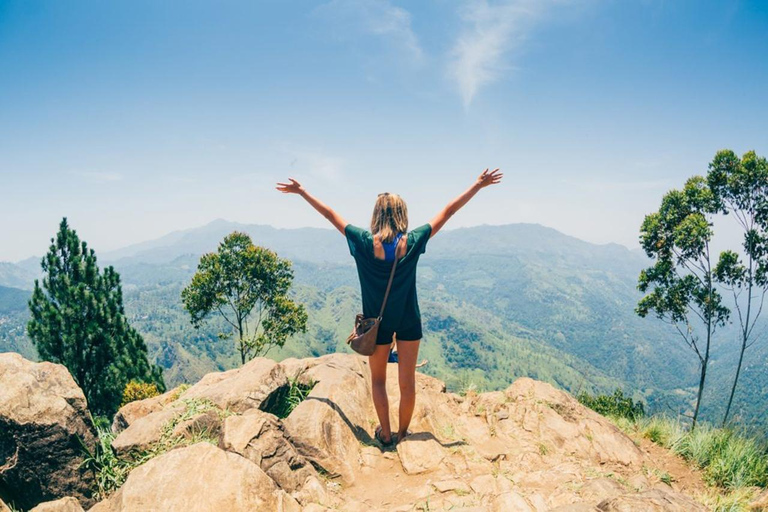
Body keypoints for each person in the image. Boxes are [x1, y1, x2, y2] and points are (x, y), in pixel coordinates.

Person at [276, 168, 503, 446]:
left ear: (376, 215)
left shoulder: (362, 241)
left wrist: (301, 192)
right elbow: (448, 211)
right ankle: (404, 434)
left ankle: (385, 433)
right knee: (407, 382)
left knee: (379, 381)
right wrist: (477, 185)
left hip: (377, 324)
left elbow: (330, 215)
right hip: (408, 320)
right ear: (402, 215)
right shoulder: (413, 241)